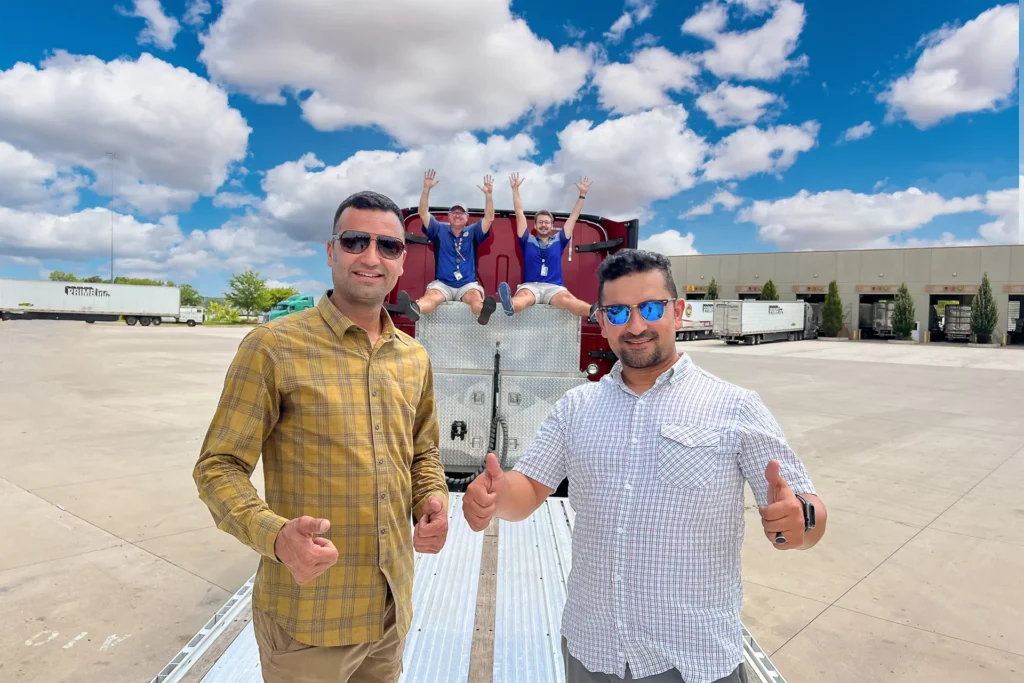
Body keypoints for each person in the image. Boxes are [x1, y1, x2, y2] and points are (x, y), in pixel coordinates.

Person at [463, 249, 828, 683]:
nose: (635, 326)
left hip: (693, 659)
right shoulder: (576, 407)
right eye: (617, 312)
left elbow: (809, 511)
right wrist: (495, 496)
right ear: (601, 320)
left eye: (650, 308)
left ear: (678, 311)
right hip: (592, 651)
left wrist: (798, 520)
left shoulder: (734, 406)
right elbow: (528, 491)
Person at [193, 190, 451, 683]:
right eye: (356, 241)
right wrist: (274, 536)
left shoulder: (413, 357)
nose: (371, 257)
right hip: (309, 619)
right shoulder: (273, 347)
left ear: (402, 261)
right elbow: (217, 466)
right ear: (331, 252)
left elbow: (423, 452)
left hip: (390, 609)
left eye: (388, 246)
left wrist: (432, 497)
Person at [395, 169, 497, 325]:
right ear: (449, 216)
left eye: (461, 213)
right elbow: (423, 213)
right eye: (454, 212)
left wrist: (489, 195)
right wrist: (426, 189)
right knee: (432, 297)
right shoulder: (439, 229)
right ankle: (414, 308)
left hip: (466, 284)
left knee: (475, 297)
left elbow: (489, 218)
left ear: (467, 217)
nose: (457, 215)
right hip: (443, 284)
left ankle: (483, 313)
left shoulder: (473, 231)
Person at [496, 172, 597, 320]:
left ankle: (594, 312)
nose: (544, 225)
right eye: (541, 222)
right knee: (523, 298)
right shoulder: (526, 240)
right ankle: (510, 306)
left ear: (552, 226)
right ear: (535, 225)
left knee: (568, 300)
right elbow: (519, 213)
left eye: (547, 222)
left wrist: (582, 195)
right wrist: (515, 190)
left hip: (554, 288)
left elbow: (573, 217)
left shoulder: (559, 240)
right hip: (531, 286)